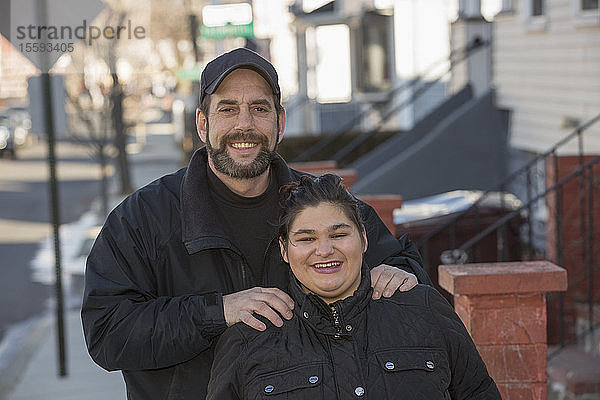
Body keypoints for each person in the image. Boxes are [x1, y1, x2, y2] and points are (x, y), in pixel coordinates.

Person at [81, 48, 431, 400]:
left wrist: (400, 273)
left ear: (280, 121)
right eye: (228, 109)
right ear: (203, 123)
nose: (244, 124)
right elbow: (108, 332)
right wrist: (218, 312)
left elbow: (402, 268)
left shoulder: (321, 203)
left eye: (259, 109)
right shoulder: (143, 218)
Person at [207, 174, 501, 399]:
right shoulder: (250, 340)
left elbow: (479, 392)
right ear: (285, 250)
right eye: (307, 238)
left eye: (339, 234)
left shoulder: (423, 309)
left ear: (363, 237)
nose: (324, 250)